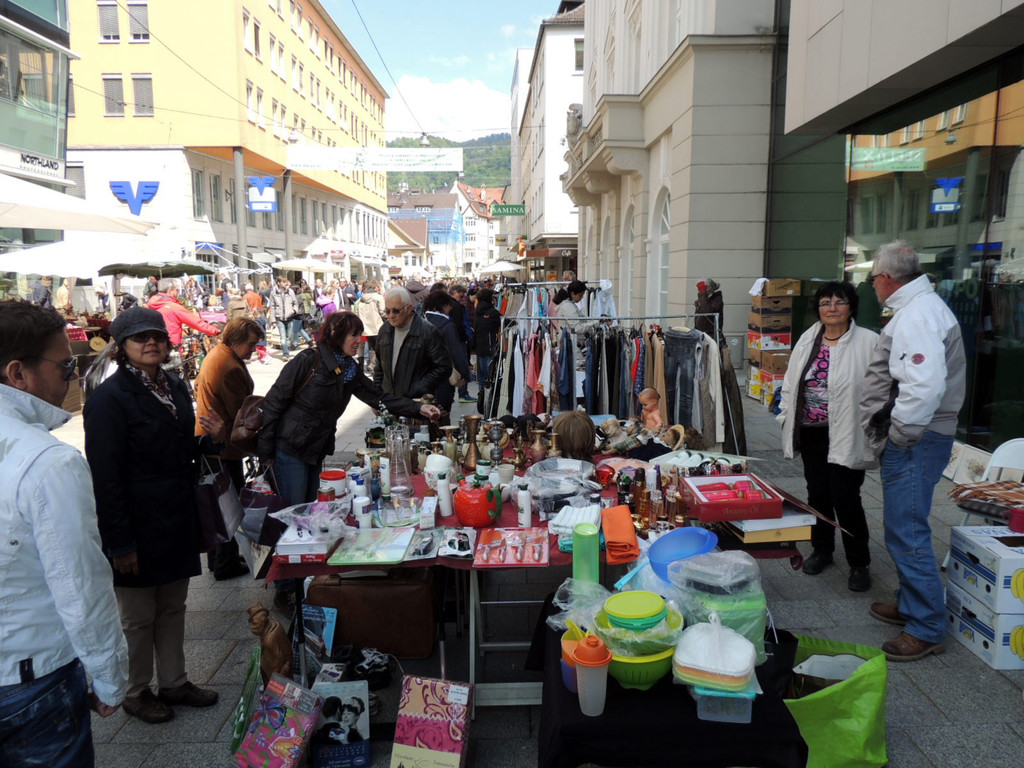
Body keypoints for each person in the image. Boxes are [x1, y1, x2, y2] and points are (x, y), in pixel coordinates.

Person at [0, 300, 128, 765]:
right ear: (18, 373)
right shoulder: (49, 462)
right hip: (31, 678)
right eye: (66, 366)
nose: (73, 377)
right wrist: (110, 677)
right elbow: (80, 584)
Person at [83, 307, 225, 722]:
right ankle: (135, 690)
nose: (151, 343)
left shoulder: (174, 385)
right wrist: (120, 543)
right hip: (137, 523)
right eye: (140, 337)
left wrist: (213, 440)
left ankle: (175, 682)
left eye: (157, 337)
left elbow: (181, 451)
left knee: (173, 606)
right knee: (138, 616)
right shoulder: (109, 399)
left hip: (176, 516)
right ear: (121, 346)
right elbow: (105, 477)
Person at [258, 312, 440, 612]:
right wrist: (266, 452)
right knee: (292, 517)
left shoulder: (347, 368)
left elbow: (377, 396)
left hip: (313, 449)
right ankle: (285, 589)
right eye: (354, 334)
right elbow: (274, 401)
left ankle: (302, 579)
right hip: (289, 448)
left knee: (307, 516)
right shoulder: (309, 361)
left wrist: (418, 409)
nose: (360, 340)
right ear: (336, 335)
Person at [860, 241, 966, 662]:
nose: (873, 286)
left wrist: (901, 434)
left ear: (886, 278)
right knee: (904, 525)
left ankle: (926, 625)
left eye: (873, 278)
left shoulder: (918, 314)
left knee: (907, 530)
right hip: (920, 435)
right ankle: (911, 604)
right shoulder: (919, 308)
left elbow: (924, 384)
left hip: (916, 438)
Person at [779, 281, 879, 593]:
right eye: (825, 302)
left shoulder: (869, 342)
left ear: (851, 307)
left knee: (846, 497)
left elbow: (882, 387)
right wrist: (785, 415)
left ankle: (859, 562)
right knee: (818, 495)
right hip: (813, 432)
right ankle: (822, 550)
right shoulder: (809, 339)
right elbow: (791, 382)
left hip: (849, 431)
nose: (832, 308)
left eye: (839, 301)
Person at [193, 316, 265, 581]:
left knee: (218, 501)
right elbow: (240, 414)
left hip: (212, 439)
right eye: (251, 344)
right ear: (235, 340)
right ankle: (225, 562)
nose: (253, 350)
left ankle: (218, 559)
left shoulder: (218, 354)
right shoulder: (228, 366)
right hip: (222, 444)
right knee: (228, 504)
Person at [372, 286, 451, 400]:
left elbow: (443, 367)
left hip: (415, 401)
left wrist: (418, 388)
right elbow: (379, 367)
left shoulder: (428, 331)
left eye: (396, 311)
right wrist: (377, 395)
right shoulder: (385, 330)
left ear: (409, 309)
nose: (391, 315)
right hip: (389, 400)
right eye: (387, 311)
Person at [422, 290, 470, 413]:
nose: (450, 309)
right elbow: (455, 350)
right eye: (449, 306)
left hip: (423, 377)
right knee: (442, 411)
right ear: (444, 306)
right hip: (442, 376)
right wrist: (464, 373)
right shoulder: (446, 325)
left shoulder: (420, 321)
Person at [147, 278, 221, 347]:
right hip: (171, 345)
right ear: (170, 291)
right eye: (177, 290)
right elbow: (195, 322)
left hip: (154, 345)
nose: (178, 293)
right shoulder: (174, 307)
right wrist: (216, 331)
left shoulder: (150, 305)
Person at [471, 287, 500, 394]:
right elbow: (504, 322)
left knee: (482, 373)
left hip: (479, 345)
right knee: (489, 372)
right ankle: (488, 394)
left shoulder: (477, 311)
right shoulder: (493, 313)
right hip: (489, 345)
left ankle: (481, 393)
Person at [268, 276, 302, 359]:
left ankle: (287, 350)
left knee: (288, 337)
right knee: (283, 337)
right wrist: (273, 320)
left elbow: (295, 303)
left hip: (289, 317)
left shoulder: (290, 292)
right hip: (279, 318)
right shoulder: (274, 292)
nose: (285, 283)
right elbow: (272, 307)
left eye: (286, 282)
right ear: (279, 283)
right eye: (283, 282)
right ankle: (285, 353)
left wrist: (294, 311)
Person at [356, 279, 386, 369]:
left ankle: (366, 365)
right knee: (378, 347)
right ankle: (374, 365)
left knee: (368, 346)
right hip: (377, 327)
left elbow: (357, 313)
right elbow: (383, 312)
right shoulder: (379, 297)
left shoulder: (361, 299)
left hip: (365, 329)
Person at [694, 278, 725, 345]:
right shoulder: (704, 300)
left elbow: (707, 311)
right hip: (701, 334)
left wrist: (702, 293)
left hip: (712, 336)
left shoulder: (717, 300)